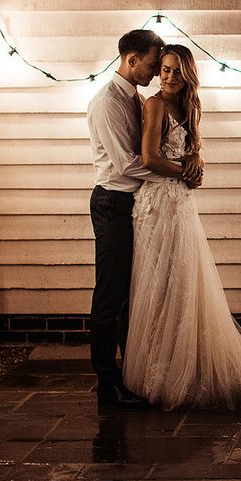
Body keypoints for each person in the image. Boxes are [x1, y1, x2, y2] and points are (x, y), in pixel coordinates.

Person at [122, 44, 241, 410]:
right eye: (164, 70)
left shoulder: (189, 107)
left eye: (176, 71)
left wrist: (196, 158)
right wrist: (186, 171)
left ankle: (187, 364)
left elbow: (187, 148)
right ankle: (156, 371)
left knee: (184, 278)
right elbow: (149, 158)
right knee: (159, 281)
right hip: (158, 201)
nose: (168, 77)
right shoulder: (154, 105)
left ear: (188, 75)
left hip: (180, 201)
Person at [87, 30, 202, 408]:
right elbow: (129, 163)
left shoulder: (136, 98)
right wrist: (181, 172)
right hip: (112, 203)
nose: (158, 74)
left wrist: (191, 160)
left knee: (133, 293)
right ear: (132, 59)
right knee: (111, 294)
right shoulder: (107, 103)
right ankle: (107, 382)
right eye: (155, 65)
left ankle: (133, 373)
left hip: (137, 205)